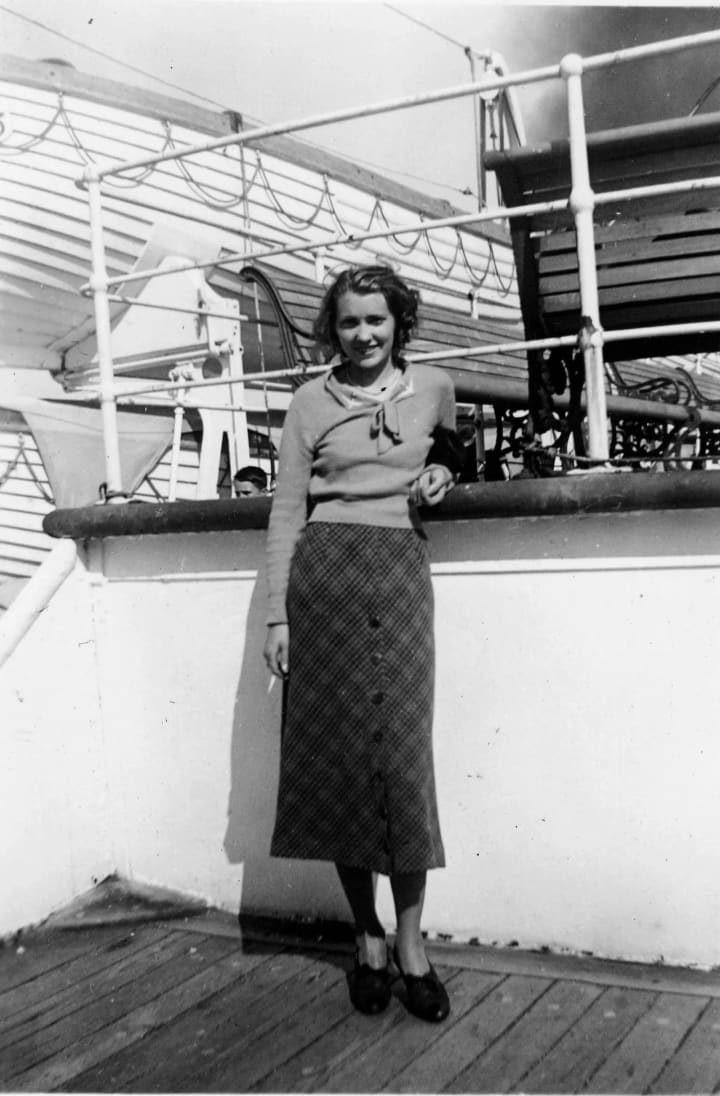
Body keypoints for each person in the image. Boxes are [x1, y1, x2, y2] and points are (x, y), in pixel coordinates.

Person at [263, 265, 458, 1023]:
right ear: (332, 329)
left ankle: (412, 943)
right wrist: (277, 617)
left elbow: (455, 451)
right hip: (326, 583)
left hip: (400, 574)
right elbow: (287, 509)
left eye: (377, 319)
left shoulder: (433, 386)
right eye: (349, 322)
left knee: (402, 765)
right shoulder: (309, 401)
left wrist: (441, 471)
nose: (364, 334)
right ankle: (368, 938)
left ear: (399, 322)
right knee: (345, 762)